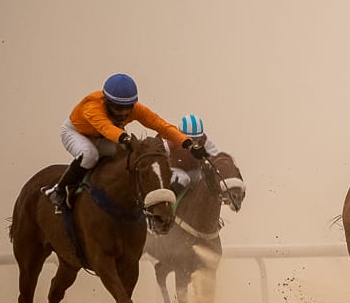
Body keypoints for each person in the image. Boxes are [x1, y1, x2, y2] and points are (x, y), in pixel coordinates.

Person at [44, 73, 206, 213]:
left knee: (126, 156)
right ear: (107, 102)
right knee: (90, 155)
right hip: (77, 133)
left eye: (128, 107)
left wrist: (188, 144)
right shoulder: (92, 107)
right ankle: (59, 190)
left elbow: (161, 125)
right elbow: (106, 128)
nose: (123, 112)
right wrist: (124, 138)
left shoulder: (135, 109)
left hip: (105, 136)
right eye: (118, 108)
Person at [165, 114, 222, 195]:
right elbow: (159, 153)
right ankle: (172, 200)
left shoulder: (204, 142)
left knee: (203, 179)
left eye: (196, 138)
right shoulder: (172, 141)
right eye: (190, 138)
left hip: (194, 170)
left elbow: (216, 158)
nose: (194, 142)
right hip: (175, 170)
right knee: (183, 178)